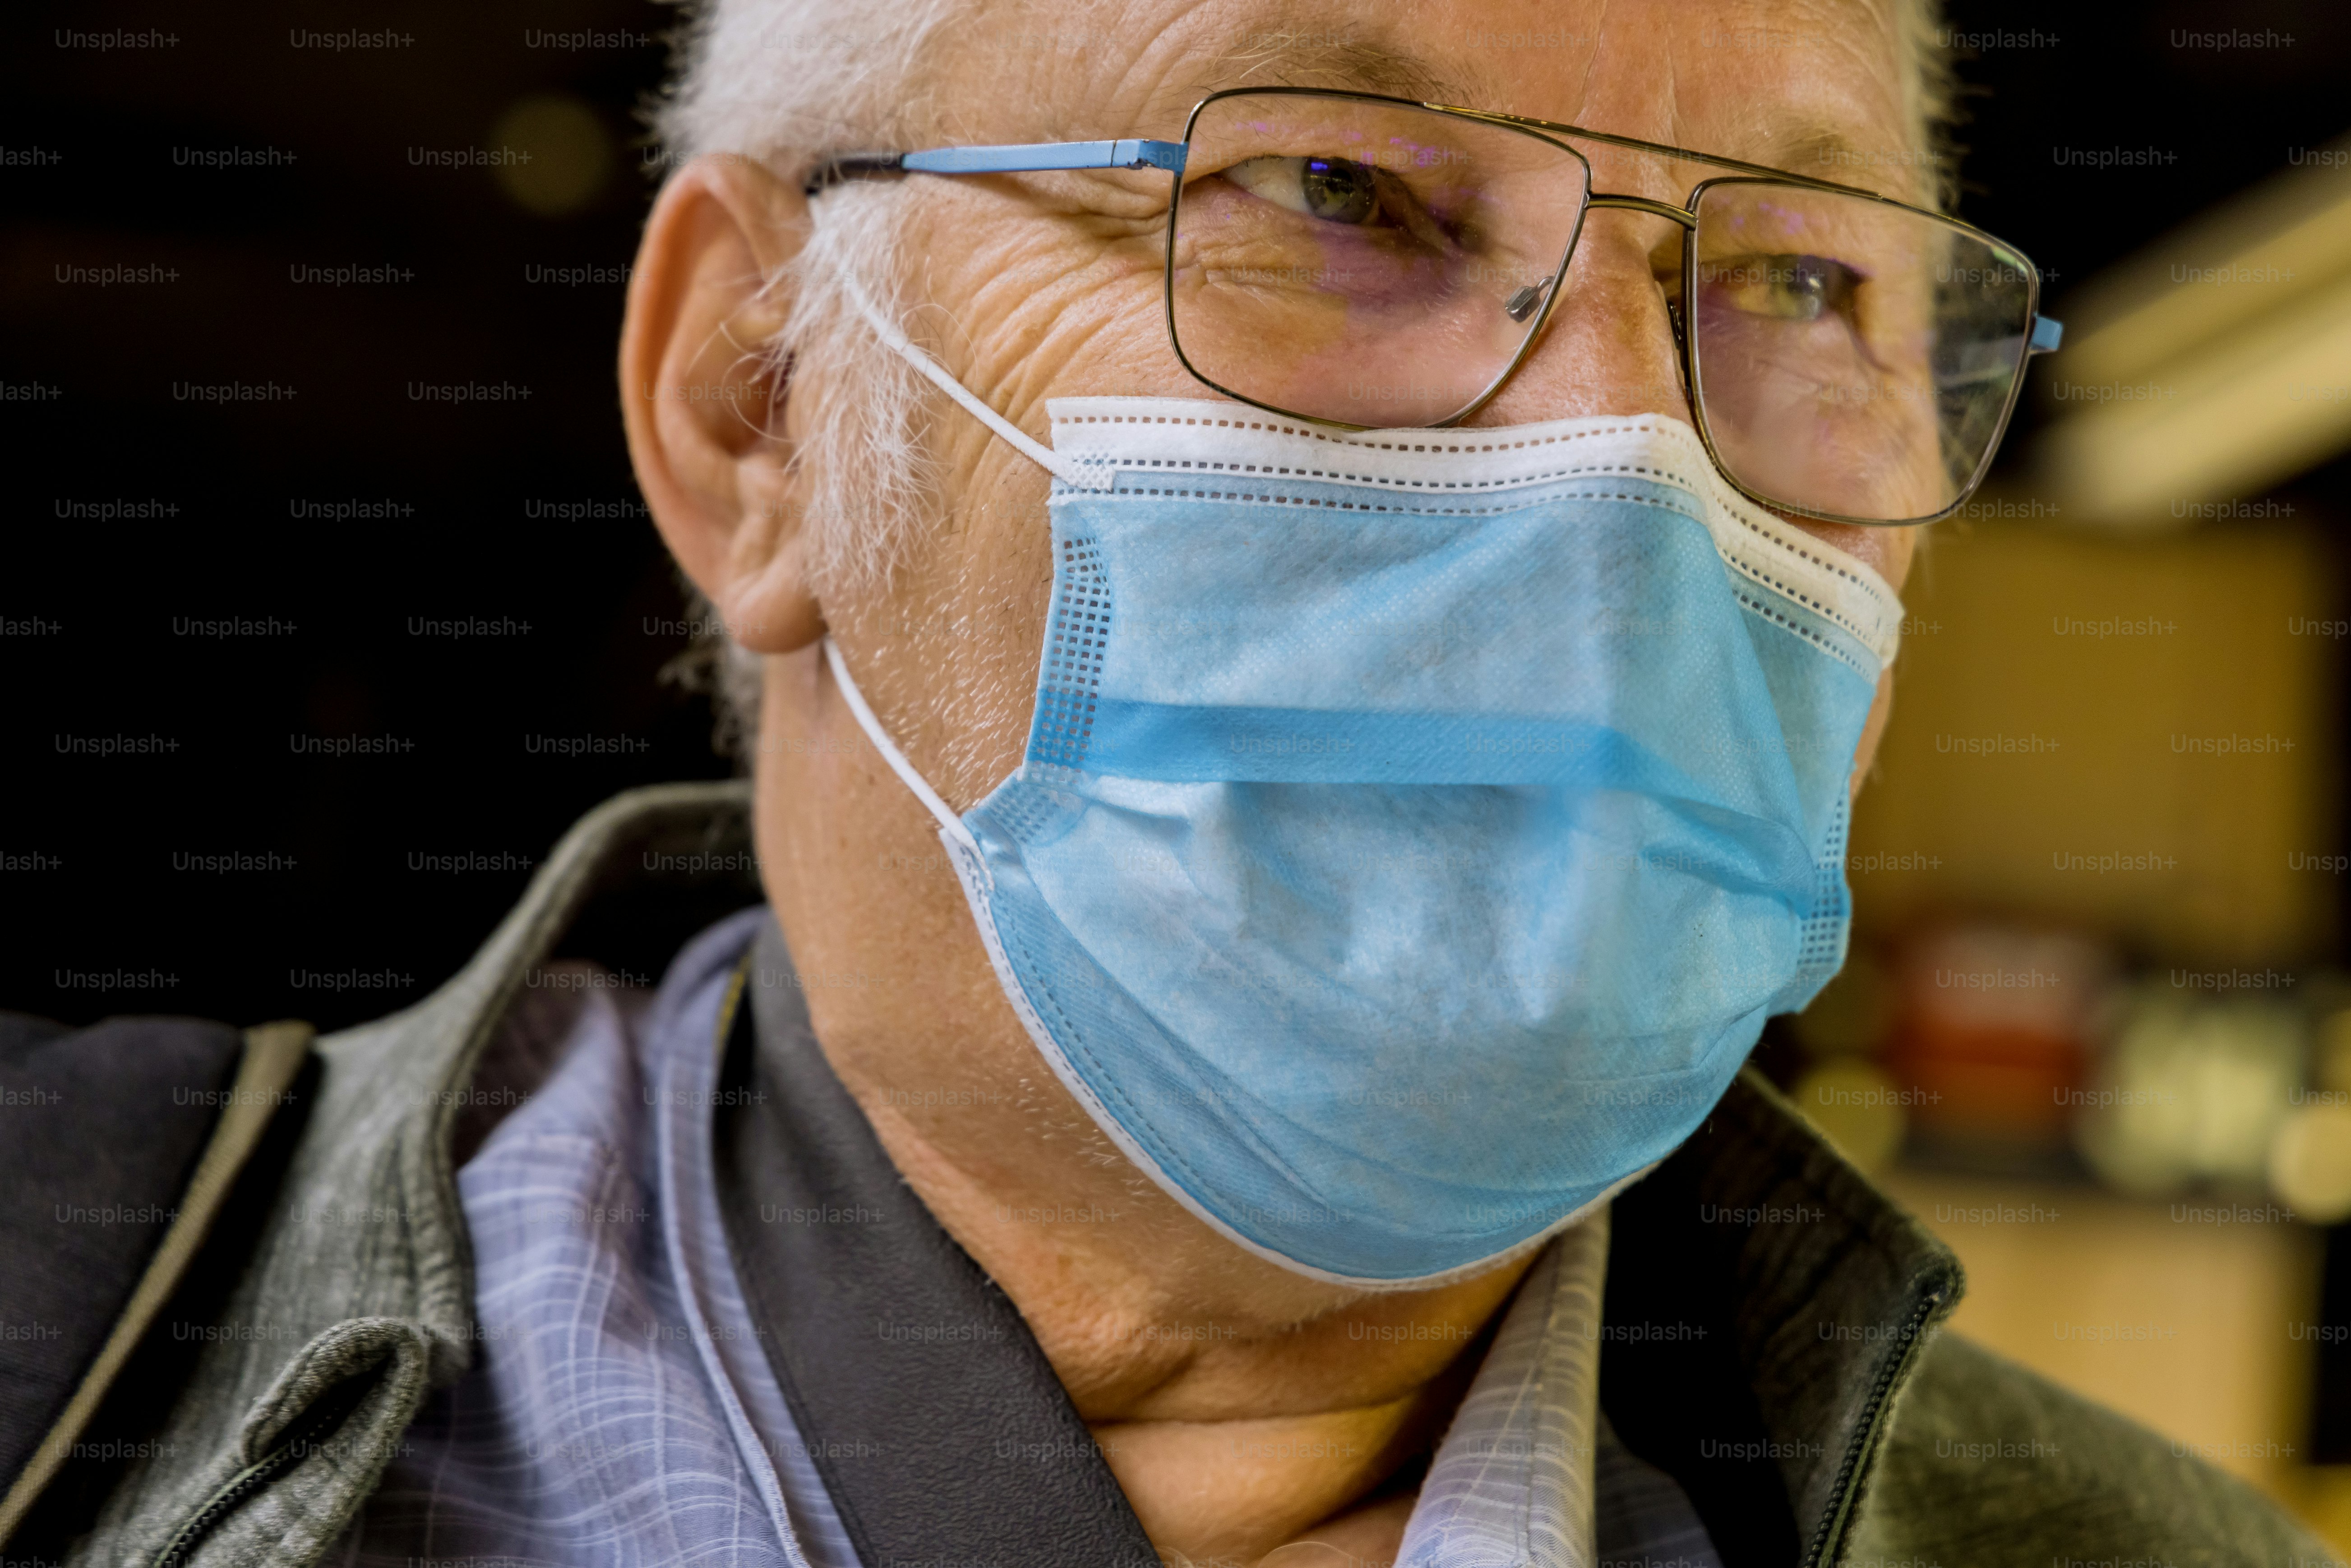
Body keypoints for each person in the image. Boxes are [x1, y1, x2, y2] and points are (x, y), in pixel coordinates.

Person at [0, 1, 2331, 1564]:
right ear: (755, 405)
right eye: (1340, 194)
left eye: (1806, 283)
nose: (1626, 463)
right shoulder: (62, 1342)